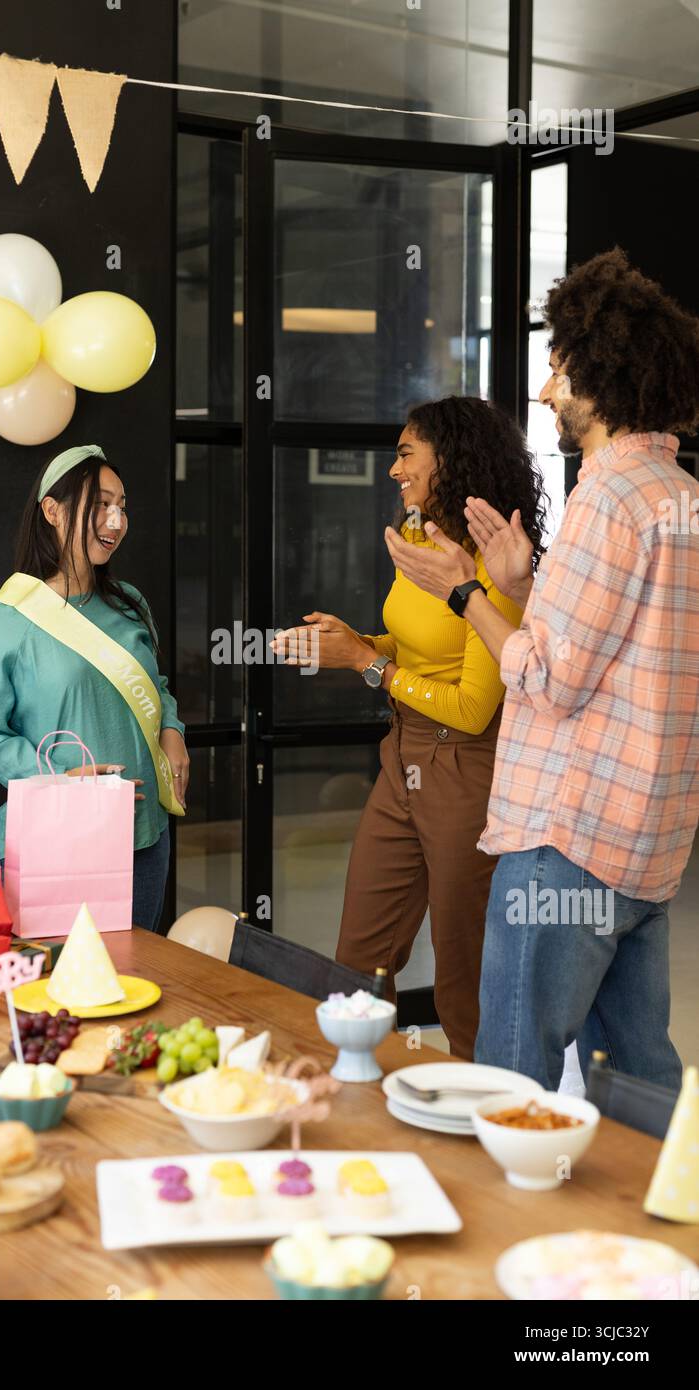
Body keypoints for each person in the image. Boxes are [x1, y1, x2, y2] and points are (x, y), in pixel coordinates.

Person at [385, 248, 699, 1088]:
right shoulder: (678, 492)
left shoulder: (604, 497)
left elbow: (547, 679)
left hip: (569, 833)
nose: (542, 390)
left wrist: (466, 594)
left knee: (510, 1073)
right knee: (635, 1076)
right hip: (648, 841)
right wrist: (524, 584)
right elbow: (617, 650)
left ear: (598, 371)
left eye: (555, 366)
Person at [274, 397, 546, 1058]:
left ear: (448, 460)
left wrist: (367, 665)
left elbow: (473, 707)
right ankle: (355, 1098)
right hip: (403, 756)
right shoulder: (419, 536)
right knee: (357, 961)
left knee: (462, 975)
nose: (393, 469)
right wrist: (353, 644)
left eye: (405, 454)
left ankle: (481, 1122)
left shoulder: (497, 563)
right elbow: (413, 647)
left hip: (466, 769)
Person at [0, 444, 188, 933]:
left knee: (139, 981)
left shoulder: (130, 604)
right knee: (58, 991)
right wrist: (63, 776)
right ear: (52, 510)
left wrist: (172, 729)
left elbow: (157, 687)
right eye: (101, 504)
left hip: (144, 836)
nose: (116, 520)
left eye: (122, 506)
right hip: (56, 839)